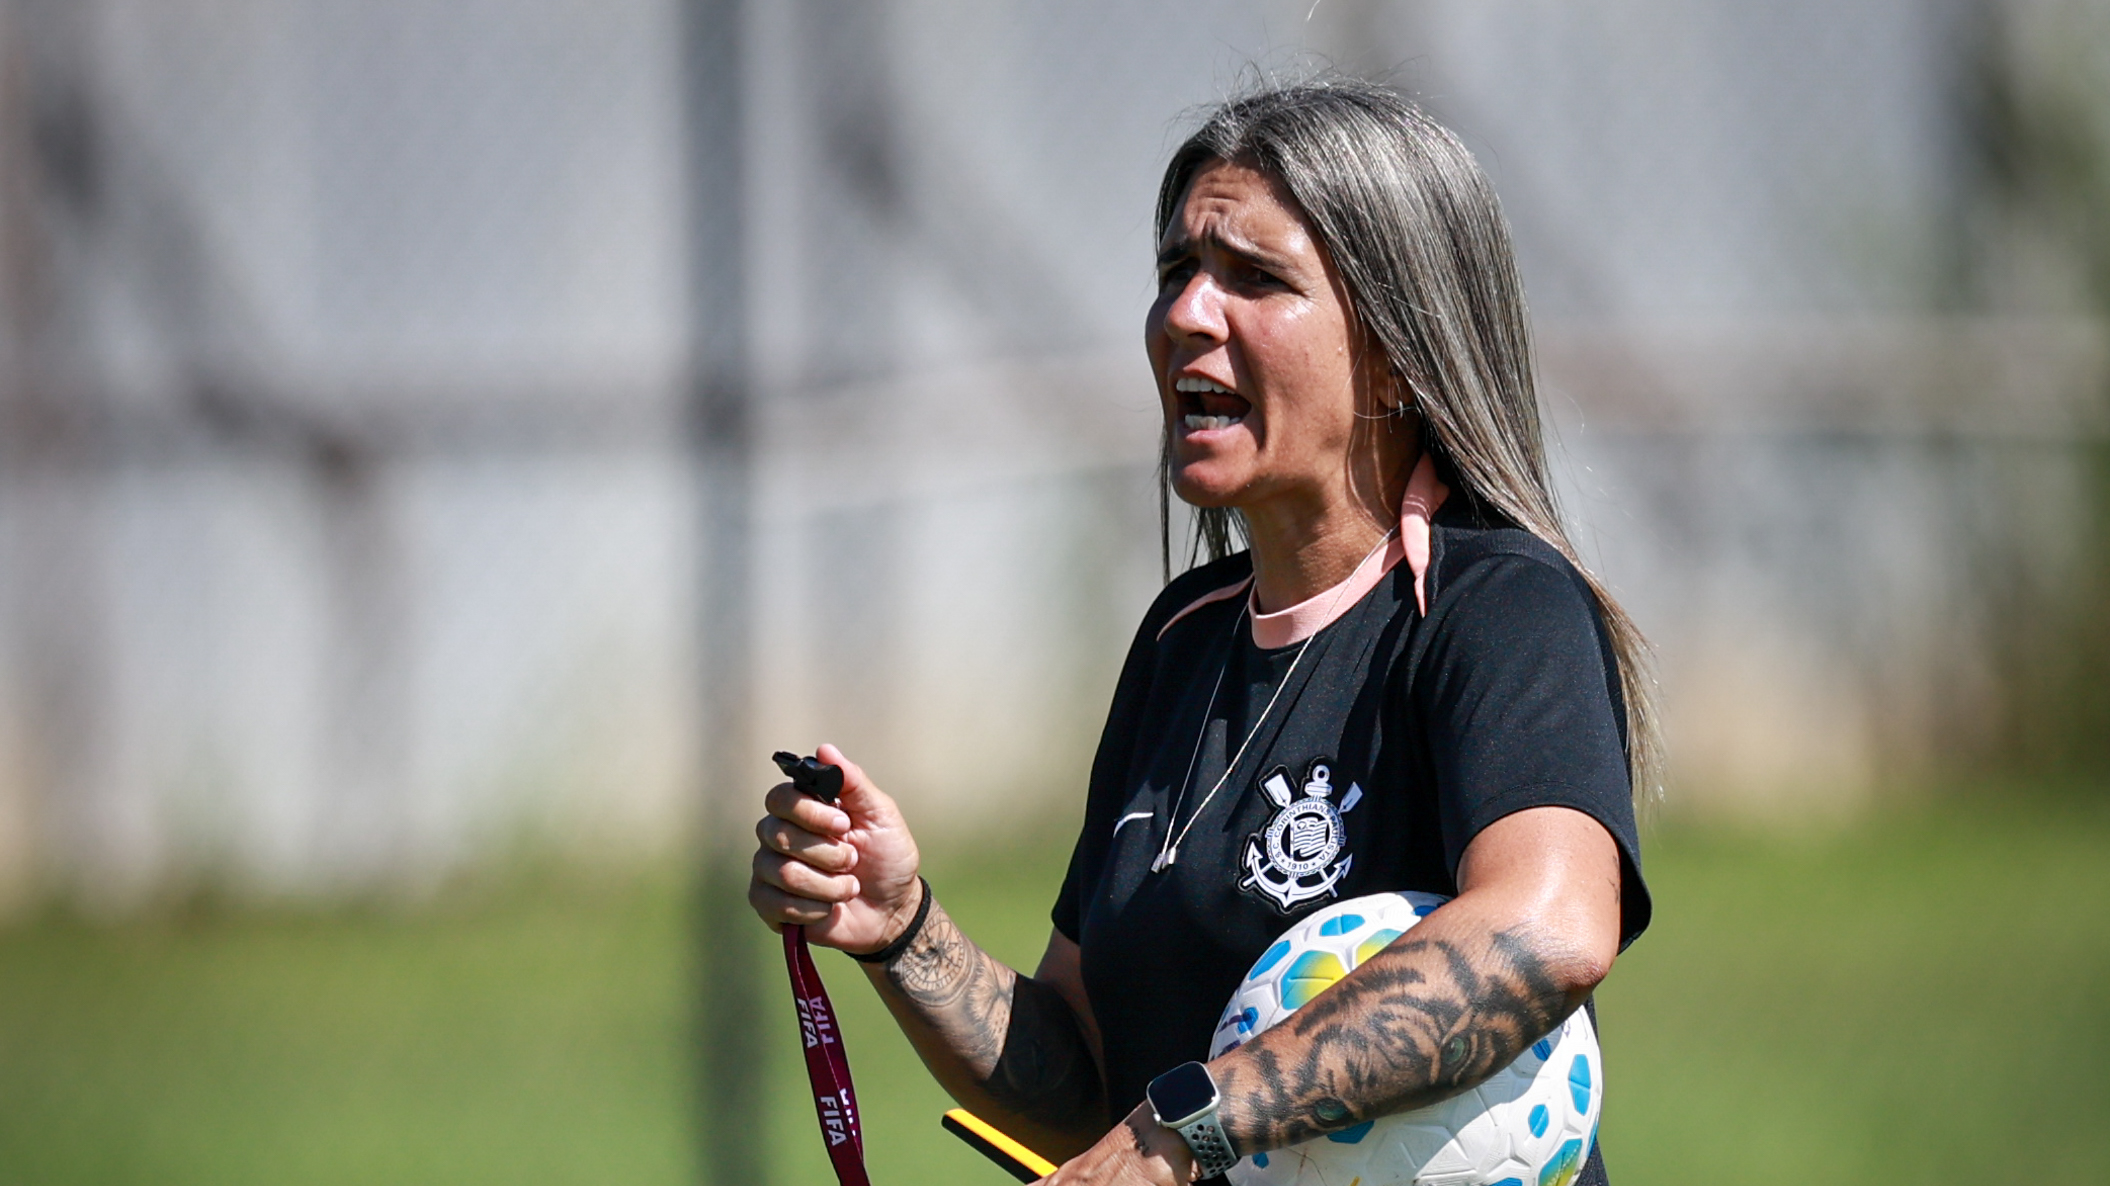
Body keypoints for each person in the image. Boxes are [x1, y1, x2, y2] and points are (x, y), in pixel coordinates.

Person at [748, 79, 1656, 1186]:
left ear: (1396, 351)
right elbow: (1088, 1094)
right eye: (1176, 270)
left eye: (1255, 277)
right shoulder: (1180, 643)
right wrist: (903, 930)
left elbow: (1547, 925)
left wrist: (1184, 1128)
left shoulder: (1497, 605)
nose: (1186, 313)